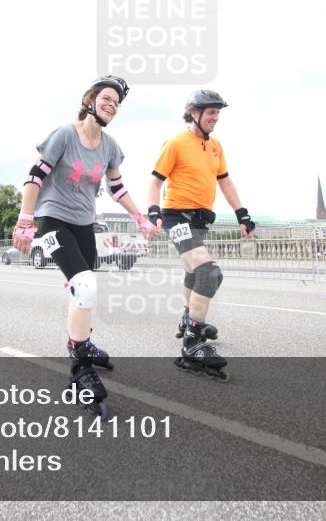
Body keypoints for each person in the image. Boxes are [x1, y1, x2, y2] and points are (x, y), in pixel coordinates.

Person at [13, 76, 156, 417]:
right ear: (91, 100)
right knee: (86, 285)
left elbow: (117, 188)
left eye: (117, 103)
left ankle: (81, 342)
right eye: (107, 98)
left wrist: (139, 217)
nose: (113, 105)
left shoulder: (110, 146)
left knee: (83, 290)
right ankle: (80, 368)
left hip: (83, 224)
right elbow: (34, 177)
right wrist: (25, 220)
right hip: (53, 219)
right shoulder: (65, 134)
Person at [146, 90, 255, 382]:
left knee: (194, 273)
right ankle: (193, 343)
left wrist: (242, 213)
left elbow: (226, 182)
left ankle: (188, 317)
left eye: (218, 114)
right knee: (209, 273)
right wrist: (153, 212)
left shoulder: (216, 147)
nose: (215, 118)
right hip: (176, 215)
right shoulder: (176, 143)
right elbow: (155, 181)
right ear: (194, 113)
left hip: (199, 217)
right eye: (211, 113)